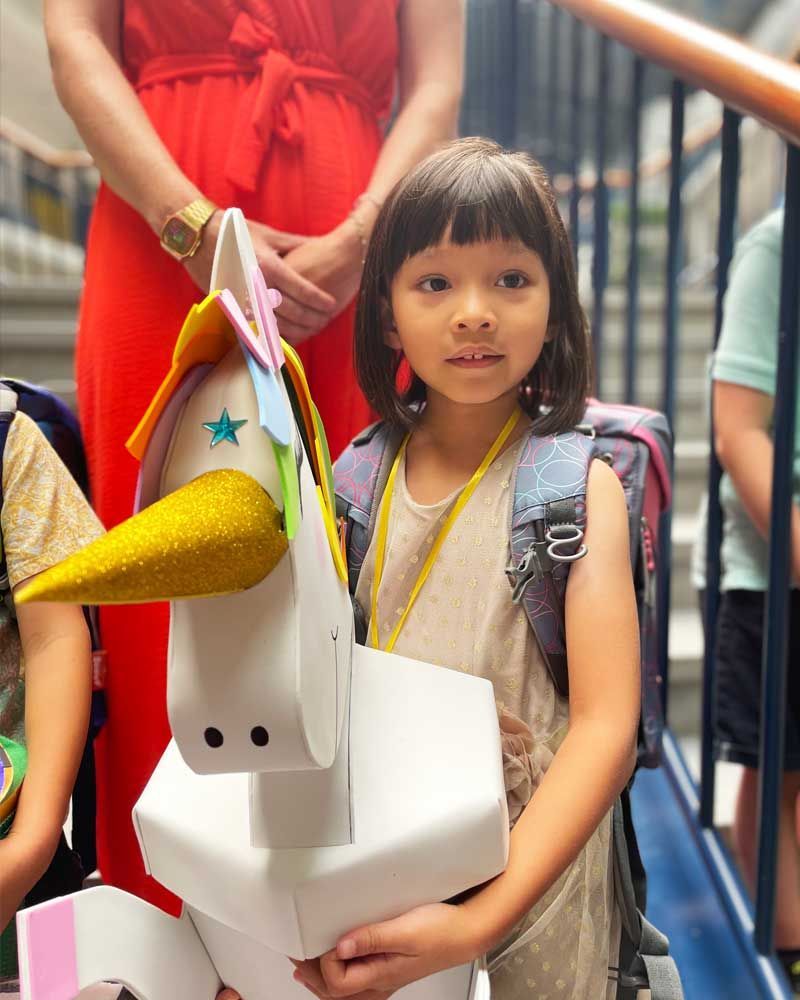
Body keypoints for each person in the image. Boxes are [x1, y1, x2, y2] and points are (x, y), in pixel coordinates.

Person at [43, 0, 463, 912]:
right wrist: (191, 227)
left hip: (352, 255)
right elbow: (75, 44)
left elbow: (438, 81)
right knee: (161, 605)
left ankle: (345, 925)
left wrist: (366, 241)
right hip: (159, 236)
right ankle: (166, 928)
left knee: (360, 578)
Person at [292, 138, 640, 999]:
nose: (474, 312)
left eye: (512, 280)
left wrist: (480, 921)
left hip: (536, 889)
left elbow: (605, 729)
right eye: (436, 282)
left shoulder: (576, 488)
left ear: (556, 307)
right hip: (393, 863)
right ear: (386, 314)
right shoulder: (354, 481)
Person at [693, 207, 800, 993]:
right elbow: (739, 432)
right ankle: (789, 951)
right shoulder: (778, 245)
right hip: (776, 572)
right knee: (777, 765)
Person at [0, 404, 103, 989]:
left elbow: (55, 637)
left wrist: (32, 845)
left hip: (26, 860)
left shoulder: (8, 440)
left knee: (63, 977)